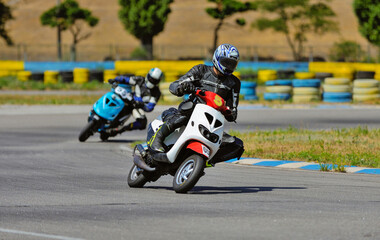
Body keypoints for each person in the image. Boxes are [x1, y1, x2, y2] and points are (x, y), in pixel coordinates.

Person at [147, 43, 244, 165]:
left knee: (237, 145)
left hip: (211, 122)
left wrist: (228, 111)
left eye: (232, 64)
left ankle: (207, 161)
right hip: (192, 111)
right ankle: (157, 139)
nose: (229, 66)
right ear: (217, 58)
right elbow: (174, 85)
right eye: (226, 62)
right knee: (188, 110)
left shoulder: (234, 83)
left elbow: (233, 113)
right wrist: (182, 88)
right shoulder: (201, 70)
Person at [107, 67, 163, 135]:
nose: (152, 81)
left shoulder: (156, 92)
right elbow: (126, 79)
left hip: (137, 107)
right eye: (151, 79)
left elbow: (150, 107)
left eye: (155, 80)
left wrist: (142, 105)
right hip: (128, 98)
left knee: (142, 123)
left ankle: (122, 129)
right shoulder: (140, 80)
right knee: (113, 97)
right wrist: (115, 79)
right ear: (148, 76)